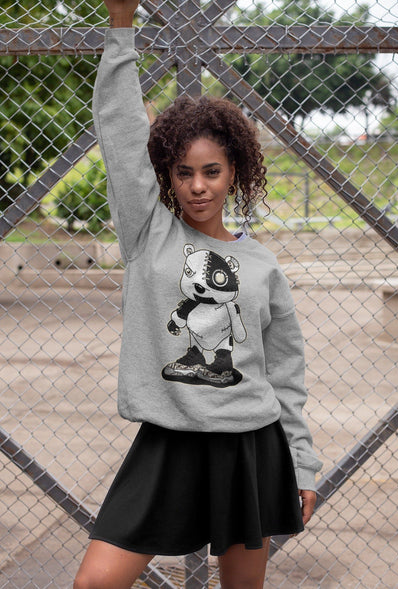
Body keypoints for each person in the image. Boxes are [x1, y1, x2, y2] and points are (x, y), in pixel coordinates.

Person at [74, 1, 323, 588]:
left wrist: (302, 463)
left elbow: (284, 373)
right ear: (167, 176)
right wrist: (120, 27)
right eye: (183, 172)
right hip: (169, 443)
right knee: (95, 581)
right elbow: (122, 134)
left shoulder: (261, 265)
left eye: (211, 171)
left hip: (251, 445)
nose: (197, 186)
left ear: (234, 172)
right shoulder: (149, 235)